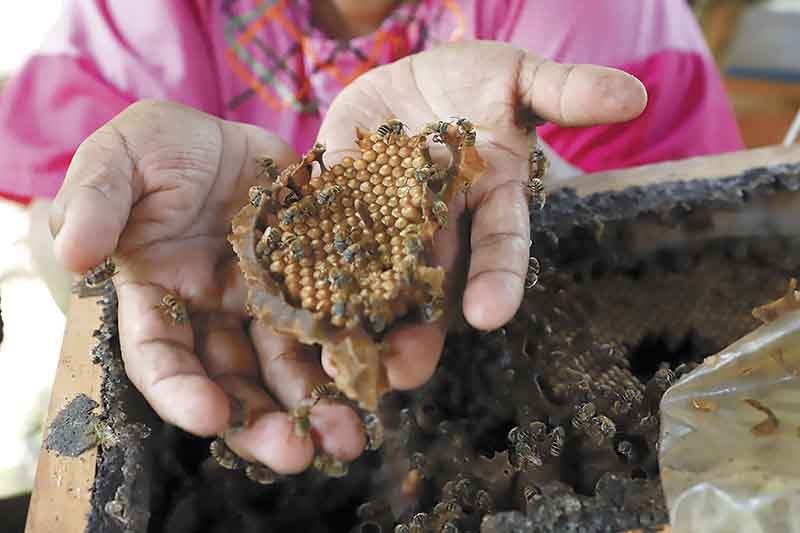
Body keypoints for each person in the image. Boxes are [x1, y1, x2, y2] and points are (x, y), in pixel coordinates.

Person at [0, 1, 743, 475]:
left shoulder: (595, 17)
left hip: (520, 358)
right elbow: (64, 212)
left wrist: (545, 175)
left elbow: (675, 234)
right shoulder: (137, 18)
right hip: (248, 368)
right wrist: (112, 219)